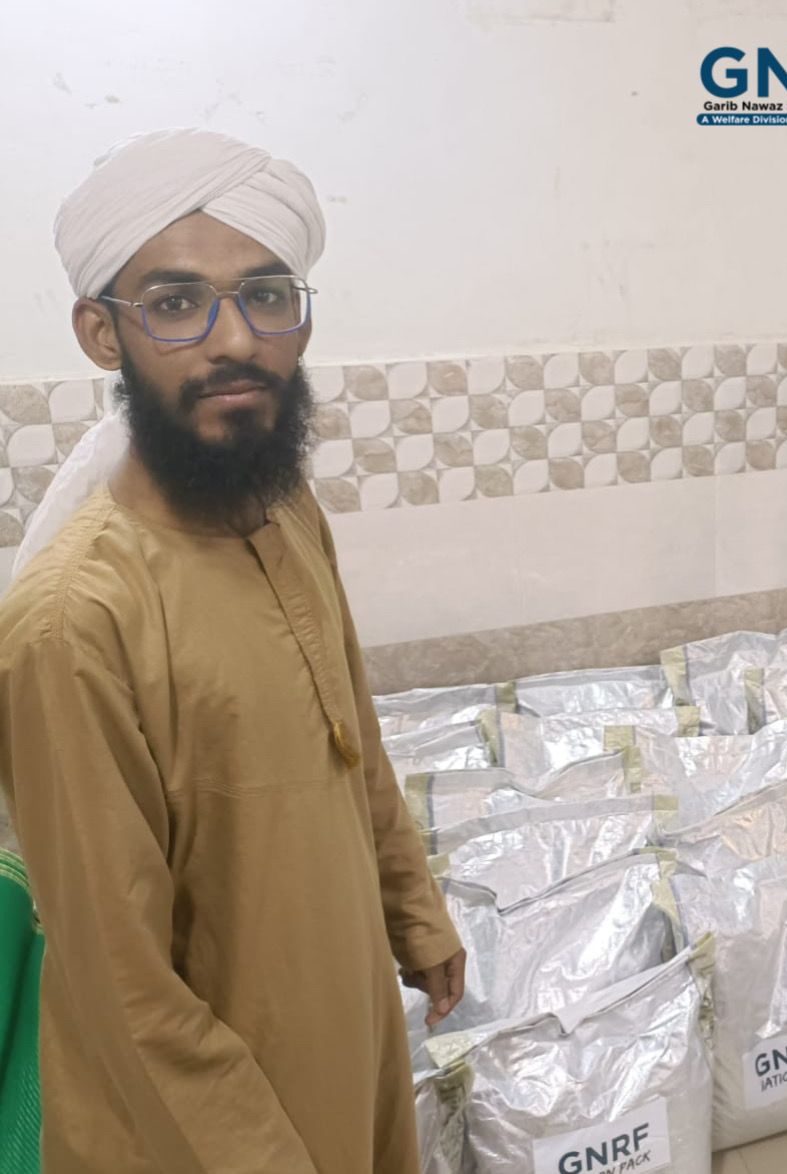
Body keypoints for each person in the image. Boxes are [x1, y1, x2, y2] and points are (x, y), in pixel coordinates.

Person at [0, 129, 466, 1173]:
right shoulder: (72, 620)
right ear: (102, 334)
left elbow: (355, 744)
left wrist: (413, 911)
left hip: (347, 1032)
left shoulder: (286, 512)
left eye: (265, 295)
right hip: (195, 1126)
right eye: (176, 303)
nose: (236, 340)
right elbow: (122, 985)